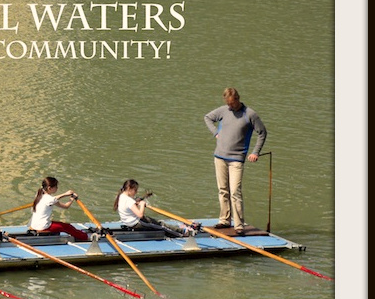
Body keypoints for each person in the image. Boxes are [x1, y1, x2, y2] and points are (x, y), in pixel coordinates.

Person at [204, 87, 267, 235]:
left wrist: (255, 152)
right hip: (219, 156)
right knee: (222, 190)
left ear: (237, 99)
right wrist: (216, 133)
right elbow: (207, 117)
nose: (230, 107)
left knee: (235, 192)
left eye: (232, 103)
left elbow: (262, 133)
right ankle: (225, 220)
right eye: (228, 104)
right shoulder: (224, 110)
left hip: (236, 159)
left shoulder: (250, 114)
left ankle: (239, 224)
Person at [114, 179, 194, 237]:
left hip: (127, 222)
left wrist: (137, 202)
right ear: (129, 189)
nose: (136, 192)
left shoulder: (121, 196)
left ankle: (177, 230)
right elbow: (140, 215)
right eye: (135, 190)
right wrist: (142, 204)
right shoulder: (129, 201)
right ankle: (183, 232)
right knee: (161, 225)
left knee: (156, 224)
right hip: (136, 222)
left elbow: (129, 206)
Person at [28, 177, 89, 242]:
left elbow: (56, 200)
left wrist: (68, 196)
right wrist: (69, 197)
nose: (57, 188)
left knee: (60, 224)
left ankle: (80, 234)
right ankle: (85, 237)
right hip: (42, 226)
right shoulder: (50, 199)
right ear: (49, 188)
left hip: (33, 224)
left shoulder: (39, 193)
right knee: (67, 227)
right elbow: (65, 206)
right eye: (56, 186)